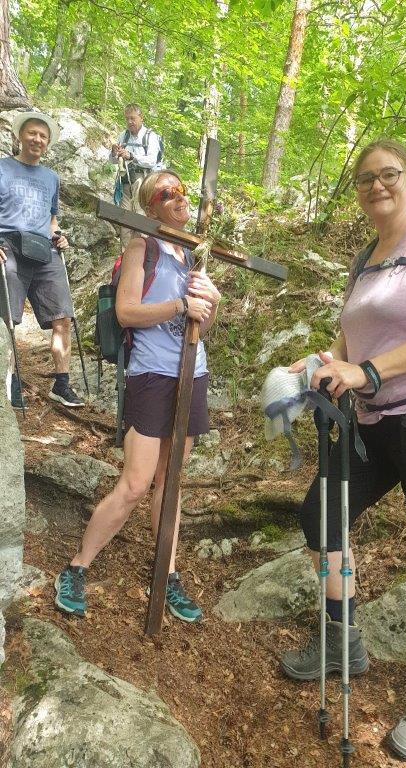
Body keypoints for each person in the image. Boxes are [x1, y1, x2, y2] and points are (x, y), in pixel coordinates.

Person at [279, 139, 406, 762]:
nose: (376, 186)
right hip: (369, 422)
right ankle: (343, 641)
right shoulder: (364, 259)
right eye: (365, 179)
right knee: (321, 516)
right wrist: (324, 361)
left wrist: (366, 371)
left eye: (388, 174)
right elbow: (350, 337)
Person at [54, 170, 221, 623]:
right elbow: (127, 312)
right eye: (168, 193)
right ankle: (77, 567)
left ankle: (167, 574)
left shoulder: (193, 254)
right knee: (135, 484)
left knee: (170, 483)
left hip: (192, 375)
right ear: (151, 207)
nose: (179, 197)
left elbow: (199, 325)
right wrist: (180, 304)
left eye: (182, 190)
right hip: (151, 376)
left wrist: (210, 304)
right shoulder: (141, 248)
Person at [0, 111, 84, 409]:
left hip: (45, 248)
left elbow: (51, 218)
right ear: (20, 136)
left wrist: (58, 234)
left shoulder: (51, 177)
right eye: (32, 133)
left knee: (62, 316)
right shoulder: (3, 168)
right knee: (9, 319)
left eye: (43, 136)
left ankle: (61, 384)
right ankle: (9, 382)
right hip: (9, 245)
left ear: (48, 143)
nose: (37, 139)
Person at [110, 103, 162, 250]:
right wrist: (114, 152)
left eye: (133, 118)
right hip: (125, 182)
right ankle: (125, 255)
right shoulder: (123, 135)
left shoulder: (150, 136)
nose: (129, 122)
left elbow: (152, 160)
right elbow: (113, 161)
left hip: (143, 181)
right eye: (127, 119)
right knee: (124, 219)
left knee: (140, 218)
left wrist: (131, 156)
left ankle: (141, 254)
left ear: (141, 118)